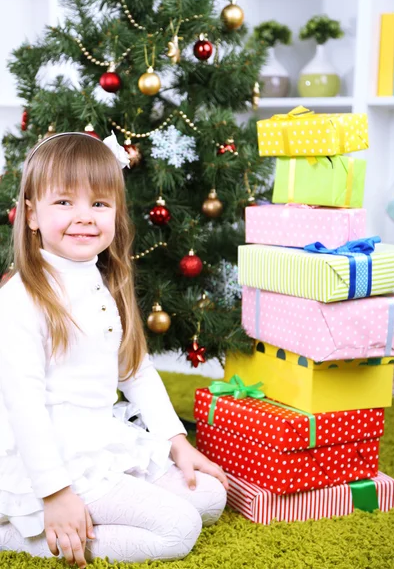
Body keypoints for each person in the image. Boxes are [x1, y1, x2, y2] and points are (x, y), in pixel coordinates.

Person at [0, 132, 228, 568]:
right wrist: (55, 493)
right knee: (178, 530)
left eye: (99, 204)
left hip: (97, 436)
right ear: (31, 215)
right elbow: (23, 408)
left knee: (209, 497)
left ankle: (82, 520)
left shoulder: (103, 280)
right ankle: (24, 533)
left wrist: (177, 443)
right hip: (51, 453)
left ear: (117, 214)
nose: (84, 217)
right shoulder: (22, 299)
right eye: (64, 202)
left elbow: (136, 371)